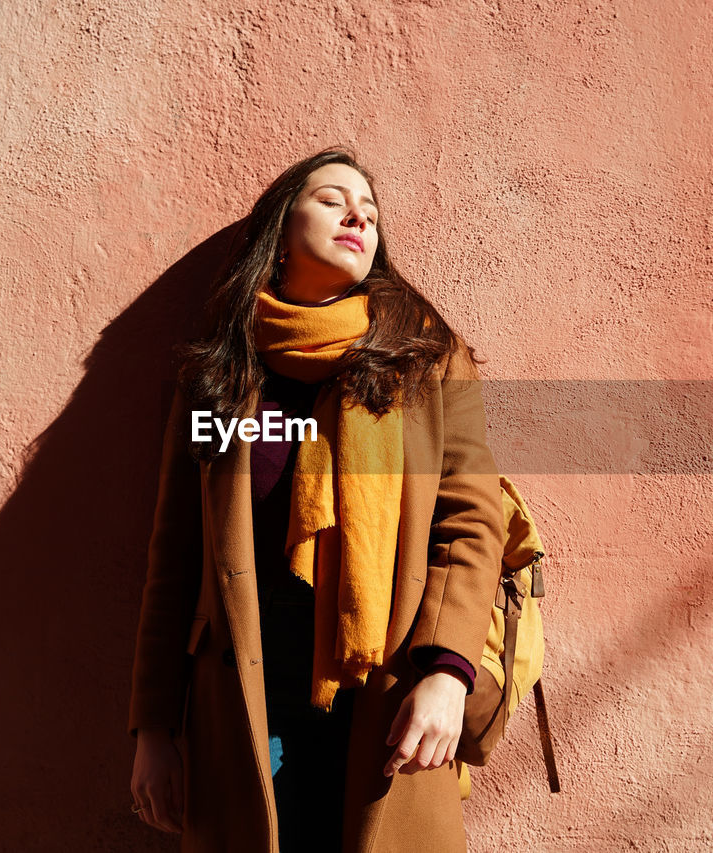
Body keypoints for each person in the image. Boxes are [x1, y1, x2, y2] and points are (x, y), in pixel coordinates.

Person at [127, 145, 503, 852]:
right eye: (332, 199)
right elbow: (175, 558)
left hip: (386, 685)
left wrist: (449, 673)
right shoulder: (221, 371)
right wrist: (153, 727)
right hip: (245, 690)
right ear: (278, 230)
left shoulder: (425, 359)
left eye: (369, 209)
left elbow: (471, 522)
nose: (357, 214)